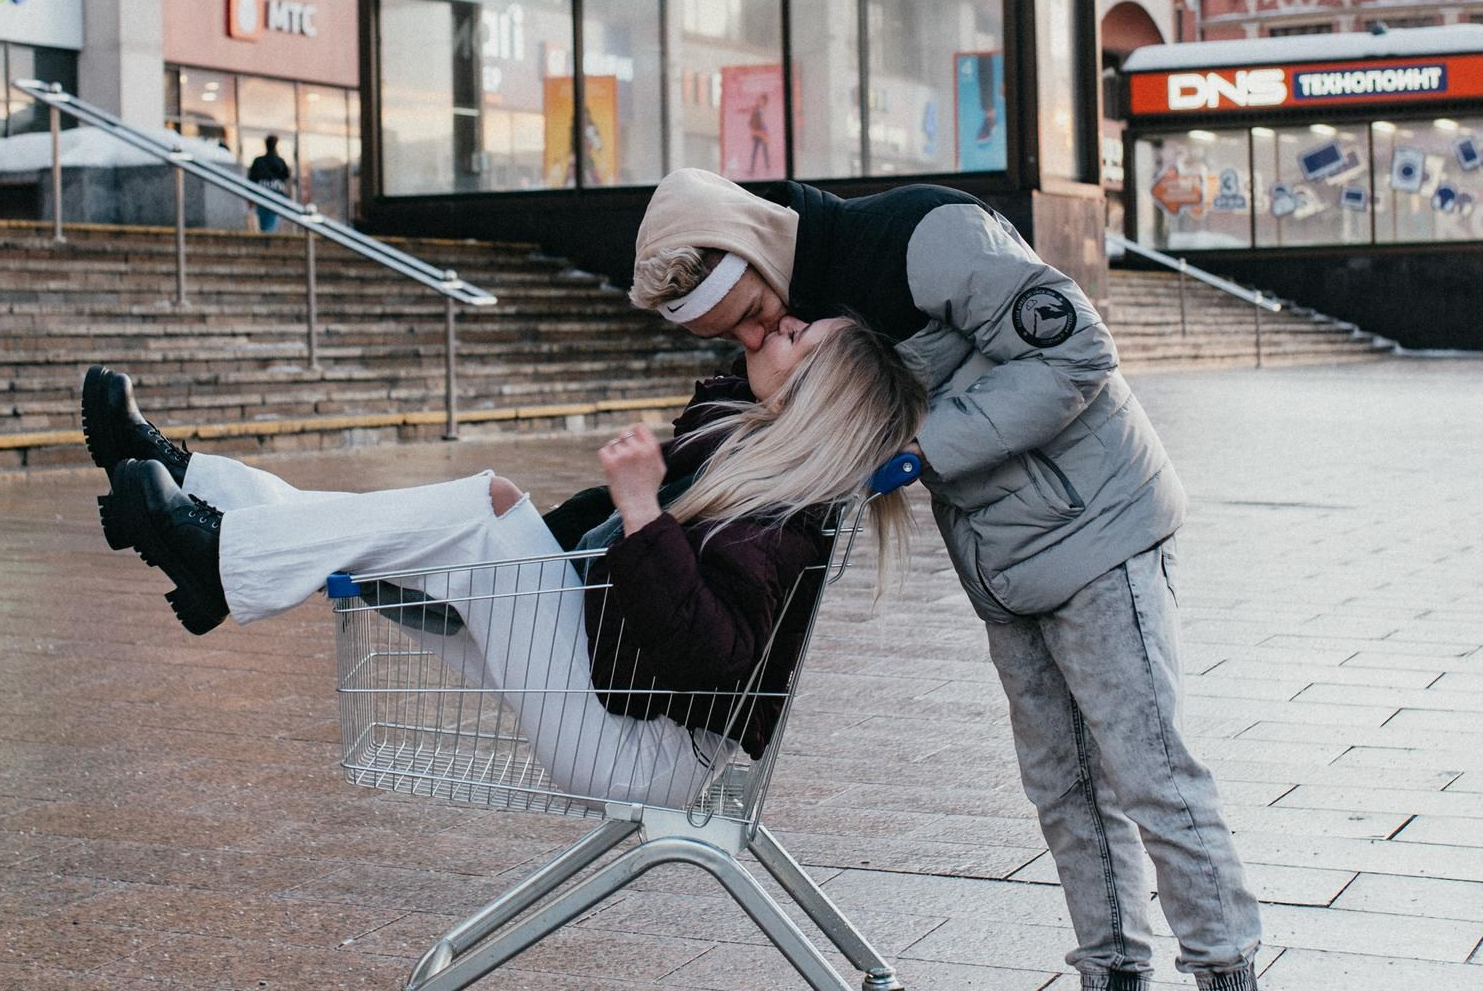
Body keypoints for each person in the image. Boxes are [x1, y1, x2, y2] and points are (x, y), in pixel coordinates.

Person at [627, 168, 1299, 991]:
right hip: (1004, 552)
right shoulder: (796, 302)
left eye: (755, 314)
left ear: (759, 251)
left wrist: (914, 456)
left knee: (1149, 769)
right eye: (731, 333)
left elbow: (1075, 349)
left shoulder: (921, 237)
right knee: (1063, 789)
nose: (756, 336)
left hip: (1098, 524)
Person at [78, 322, 921, 810]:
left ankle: (216, 547)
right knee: (419, 528)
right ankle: (200, 499)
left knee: (487, 509)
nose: (774, 325)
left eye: (792, 335)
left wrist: (640, 512)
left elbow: (715, 655)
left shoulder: (781, 517)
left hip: (641, 750)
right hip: (611, 694)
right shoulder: (747, 451)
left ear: (813, 396)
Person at [248, 134, 293, 232]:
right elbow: (285, 179)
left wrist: (250, 199)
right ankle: (267, 239)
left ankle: (267, 238)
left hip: (262, 195)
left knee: (265, 224)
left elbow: (252, 179)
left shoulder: (258, 161)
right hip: (276, 197)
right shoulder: (280, 162)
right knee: (271, 224)